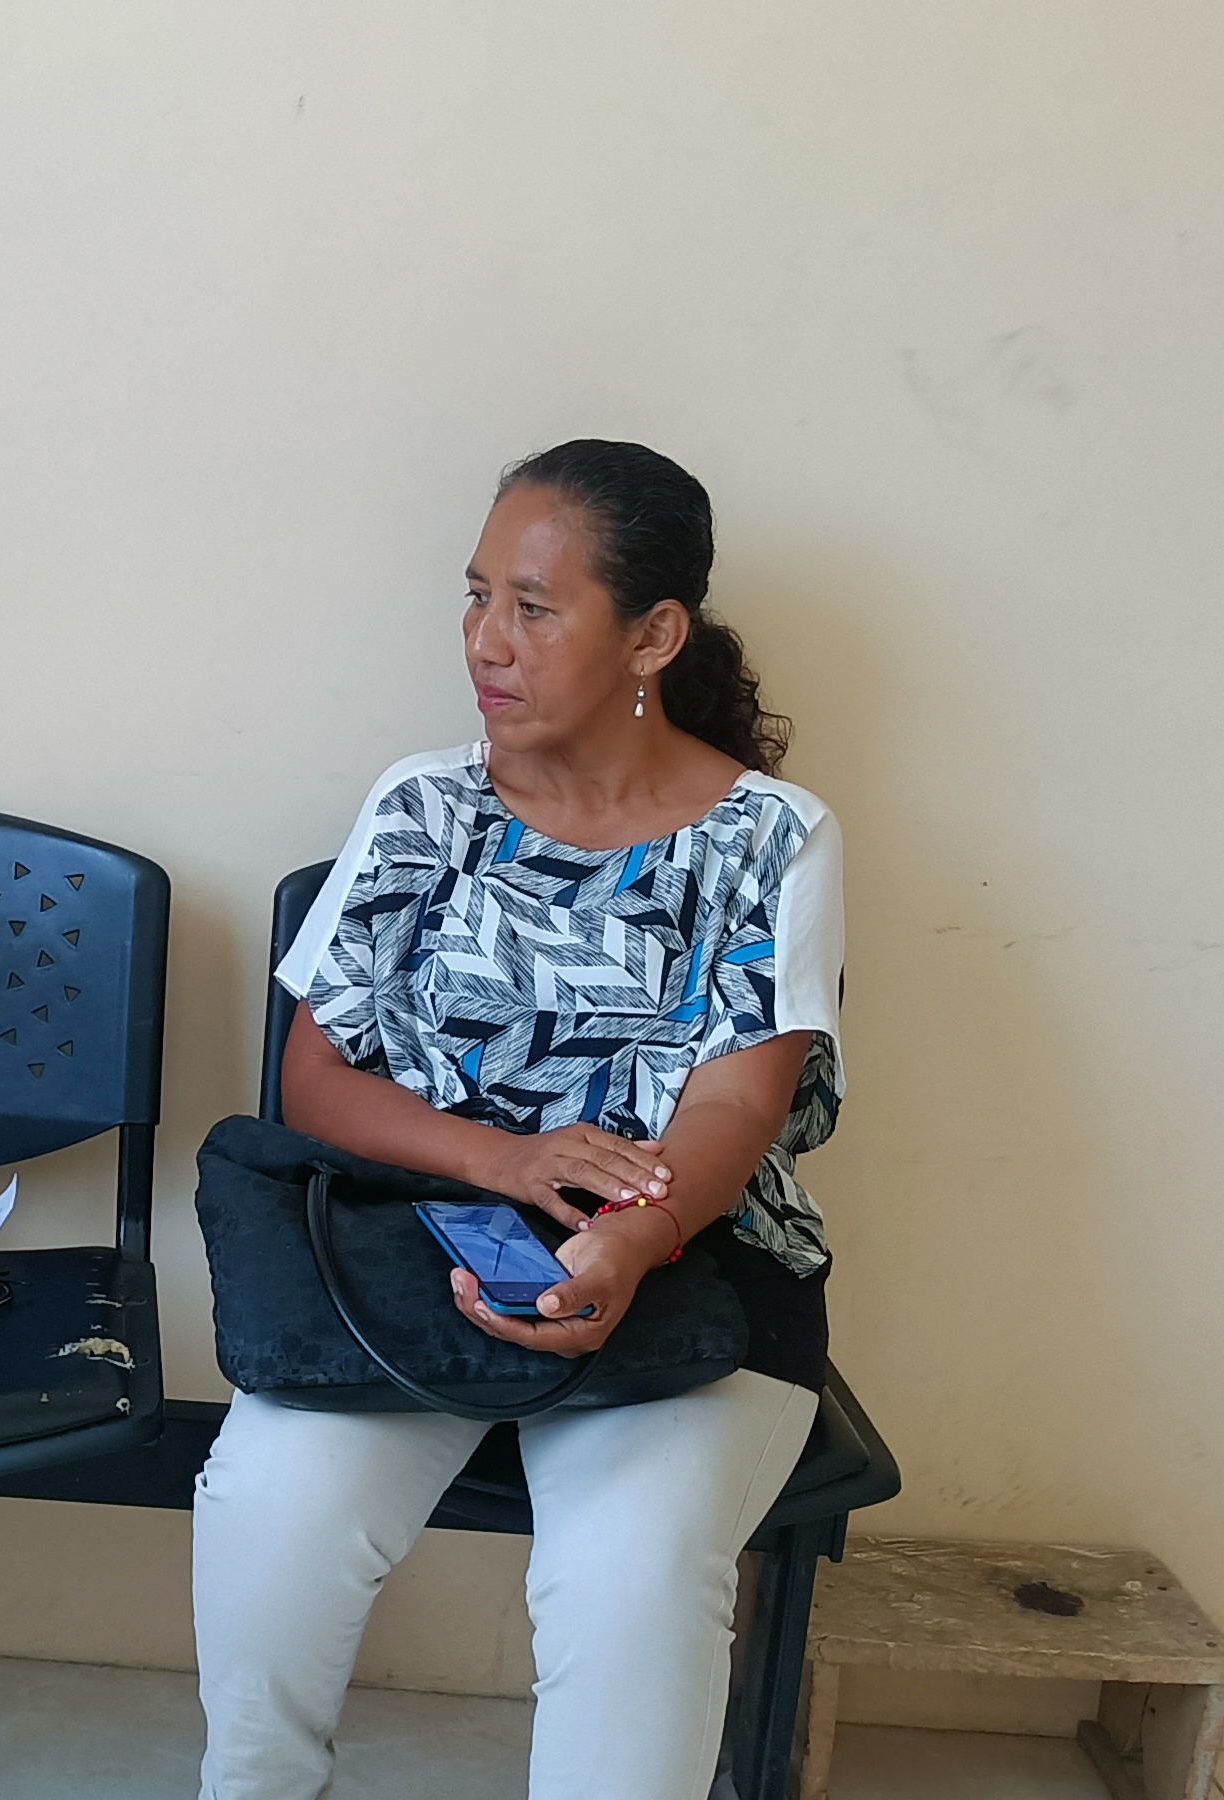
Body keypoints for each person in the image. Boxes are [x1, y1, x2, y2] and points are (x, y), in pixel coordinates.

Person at [195, 440, 844, 1799]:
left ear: (653, 636)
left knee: (630, 1578)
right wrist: (508, 1160)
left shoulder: (773, 836)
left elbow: (740, 1096)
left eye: (535, 607)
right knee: (269, 1506)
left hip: (691, 1268)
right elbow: (316, 1079)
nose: (487, 641)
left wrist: (634, 1234)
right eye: (477, 595)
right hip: (420, 1249)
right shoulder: (425, 805)